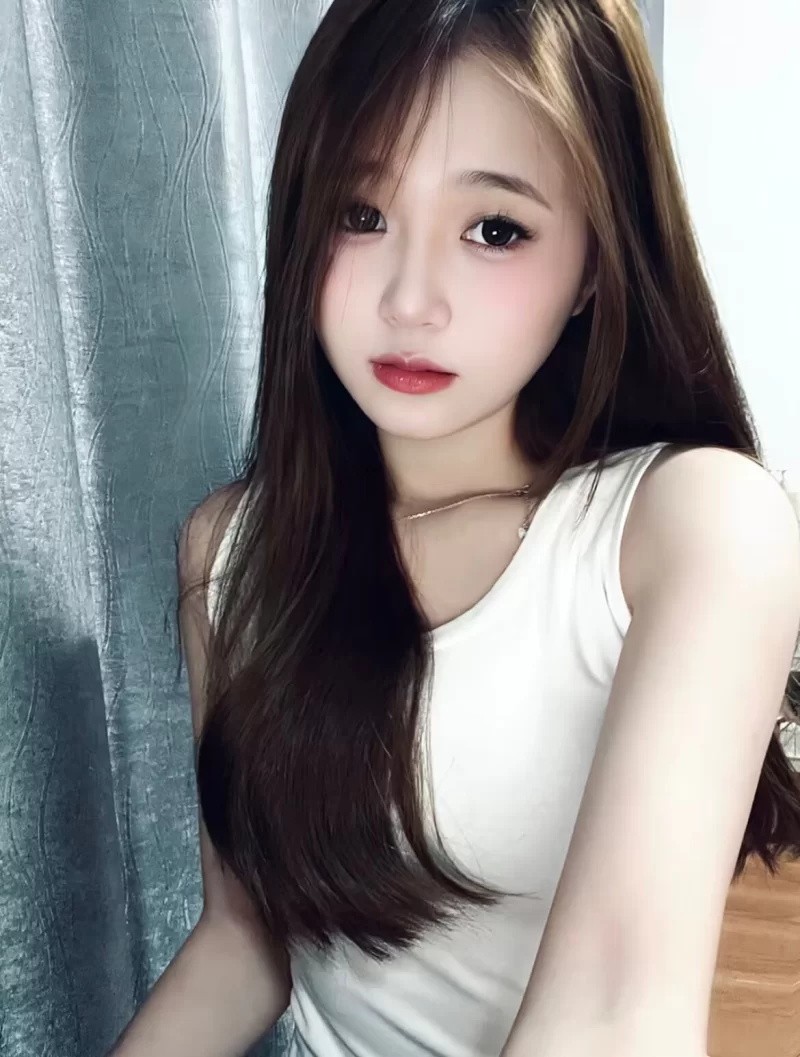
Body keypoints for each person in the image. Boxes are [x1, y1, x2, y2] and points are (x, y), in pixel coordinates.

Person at [110, 1, 800, 1056]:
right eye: (360, 213)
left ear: (595, 263)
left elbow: (617, 1015)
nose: (410, 299)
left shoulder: (690, 526)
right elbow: (244, 942)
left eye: (494, 230)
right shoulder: (231, 554)